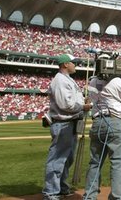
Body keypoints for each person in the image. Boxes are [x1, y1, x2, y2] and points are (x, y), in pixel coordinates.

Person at [83, 56, 121, 200]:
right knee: (118, 165)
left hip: (97, 122)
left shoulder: (93, 81)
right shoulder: (116, 81)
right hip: (115, 122)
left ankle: (89, 197)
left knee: (94, 164)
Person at [42, 54, 92, 200]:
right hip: (63, 124)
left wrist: (83, 100)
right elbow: (66, 105)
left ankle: (62, 188)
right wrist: (83, 106)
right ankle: (51, 192)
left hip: (71, 124)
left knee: (67, 159)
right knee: (57, 159)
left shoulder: (67, 79)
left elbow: (71, 101)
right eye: (73, 62)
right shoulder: (60, 80)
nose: (75, 65)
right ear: (65, 64)